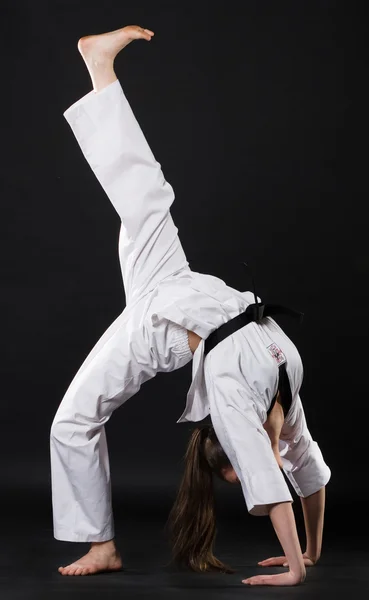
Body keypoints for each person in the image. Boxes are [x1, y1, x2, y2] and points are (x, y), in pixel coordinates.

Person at [50, 25, 331, 586]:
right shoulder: (264, 402)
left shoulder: (271, 387)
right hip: (173, 297)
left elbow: (296, 479)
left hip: (170, 311)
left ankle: (100, 544)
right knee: (146, 191)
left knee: (73, 421)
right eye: (242, 470)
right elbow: (296, 481)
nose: (256, 465)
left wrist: (306, 555)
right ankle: (98, 67)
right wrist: (304, 564)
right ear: (234, 448)